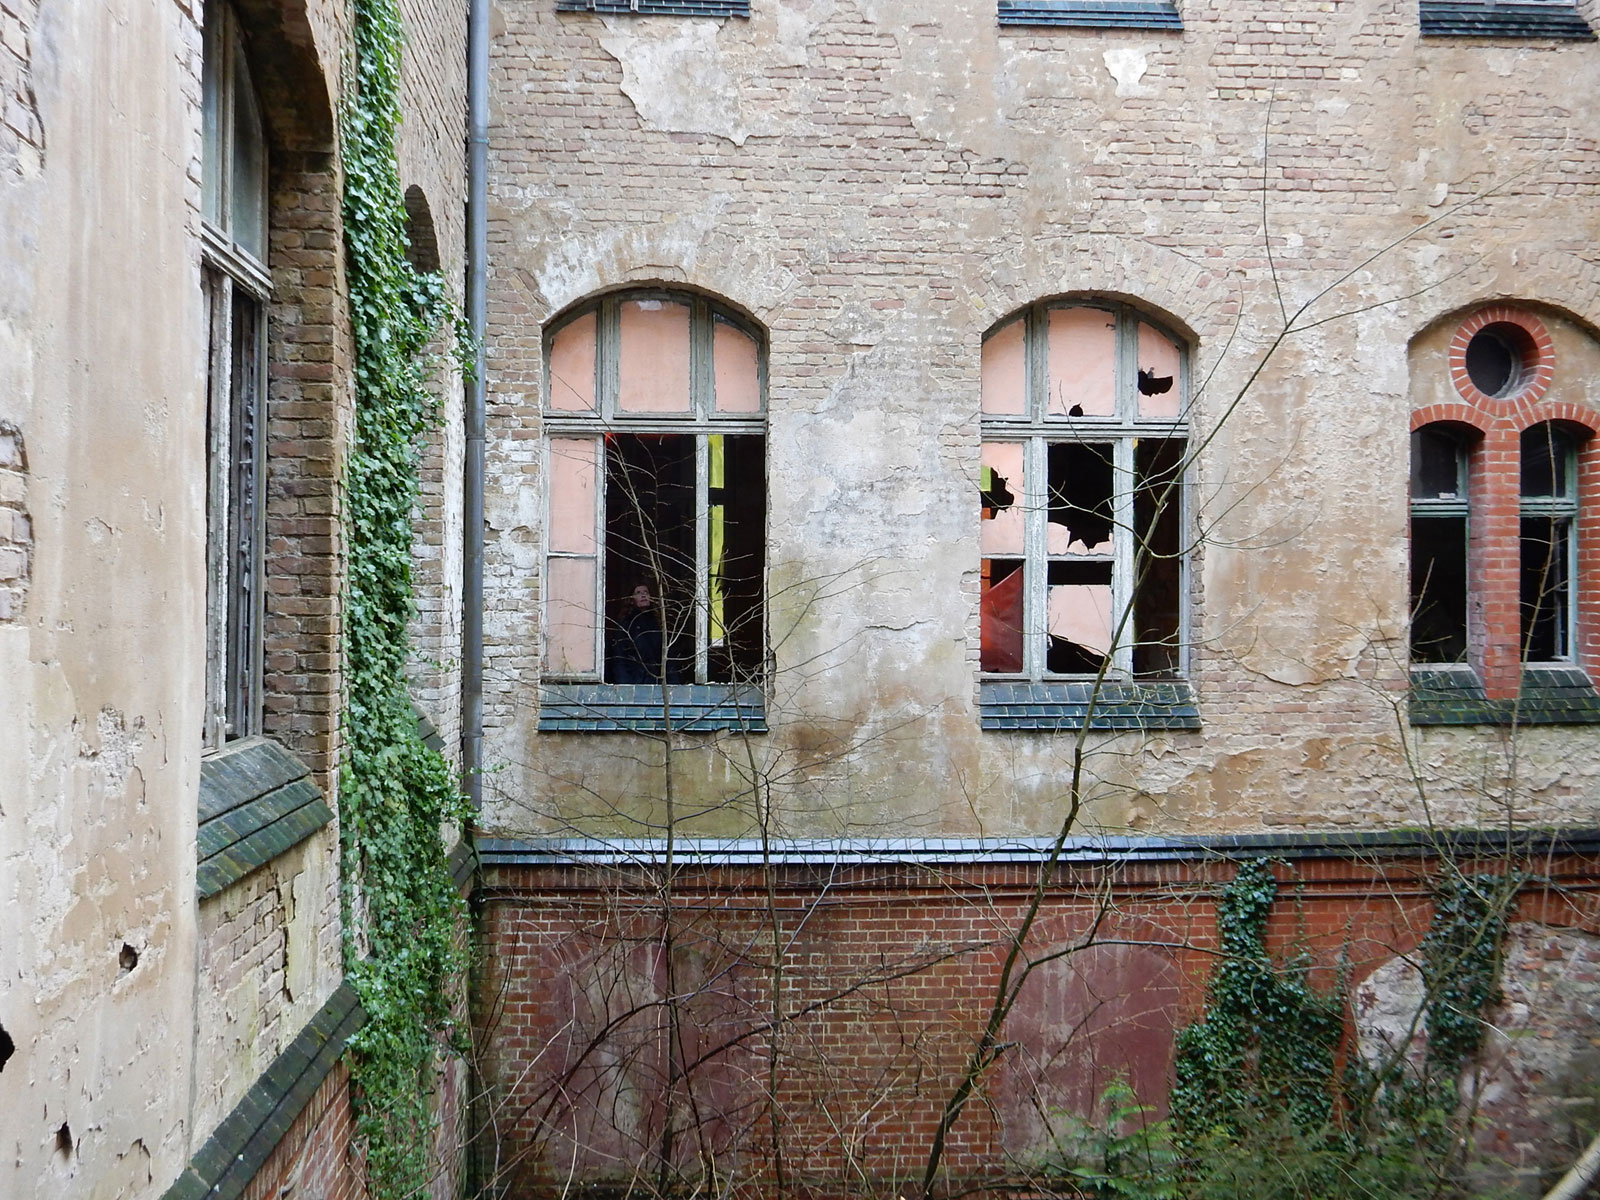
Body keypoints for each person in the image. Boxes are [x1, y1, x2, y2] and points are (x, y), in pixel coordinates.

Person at [607, 583, 665, 683]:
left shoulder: (659, 624)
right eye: (638, 593)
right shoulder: (626, 625)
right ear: (631, 599)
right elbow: (619, 658)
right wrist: (624, 685)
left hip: (655, 682)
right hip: (633, 680)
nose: (643, 595)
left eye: (646, 592)